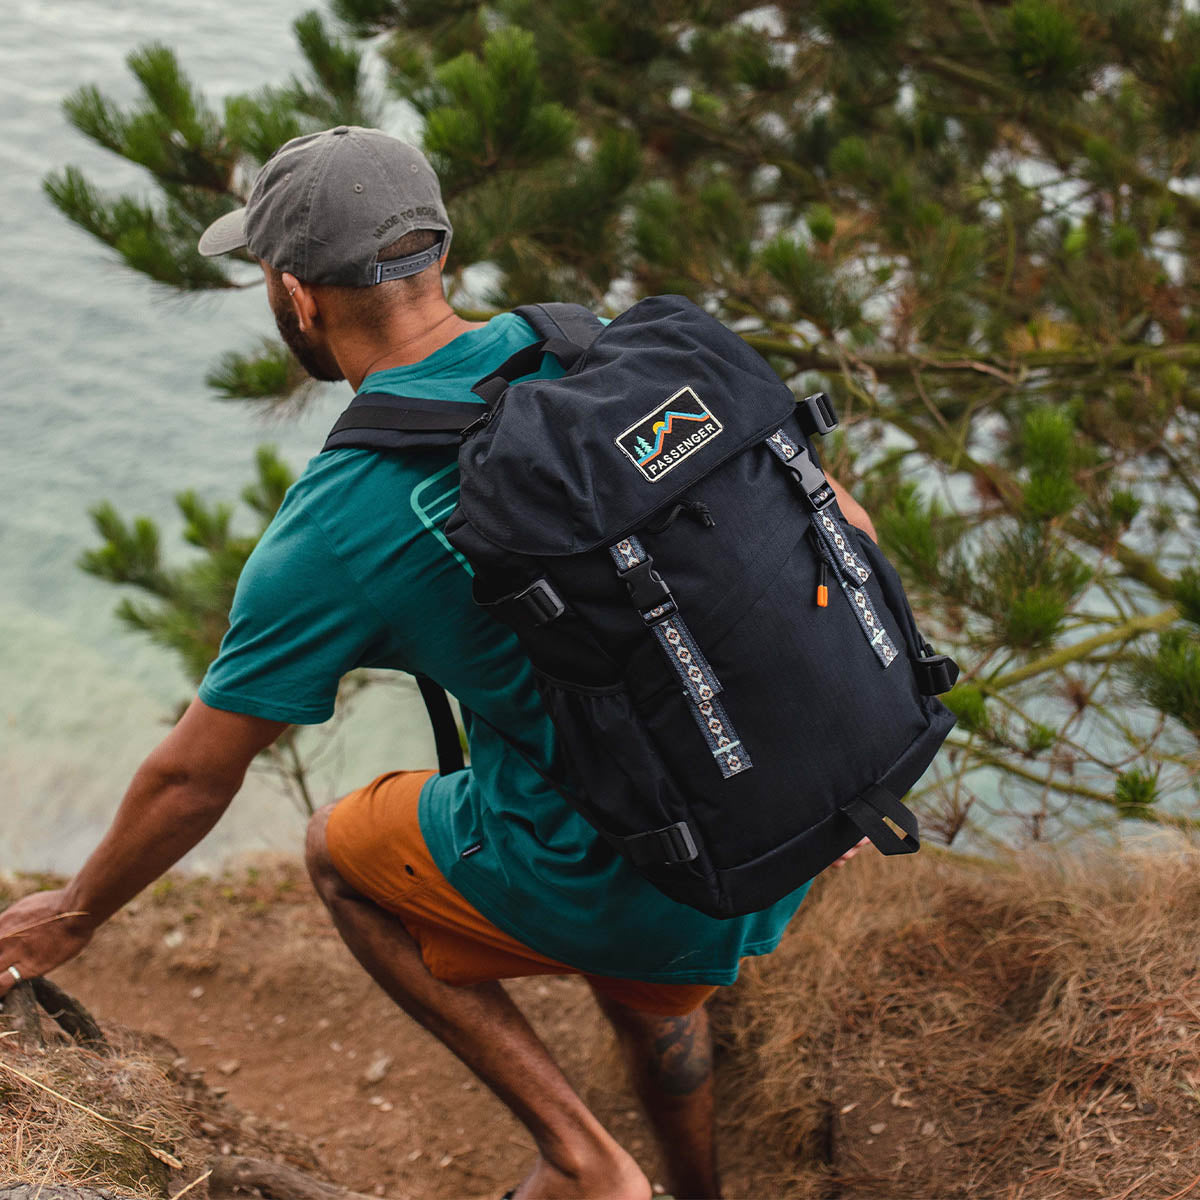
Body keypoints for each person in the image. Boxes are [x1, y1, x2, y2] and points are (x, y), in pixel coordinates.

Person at [0, 126, 874, 1200]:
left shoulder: (339, 524)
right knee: (646, 962)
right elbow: (843, 529)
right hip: (770, 828)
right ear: (440, 255)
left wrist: (74, 912)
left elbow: (192, 776)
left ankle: (585, 1162)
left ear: (295, 297)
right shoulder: (600, 354)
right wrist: (833, 769)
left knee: (336, 853)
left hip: (637, 873)